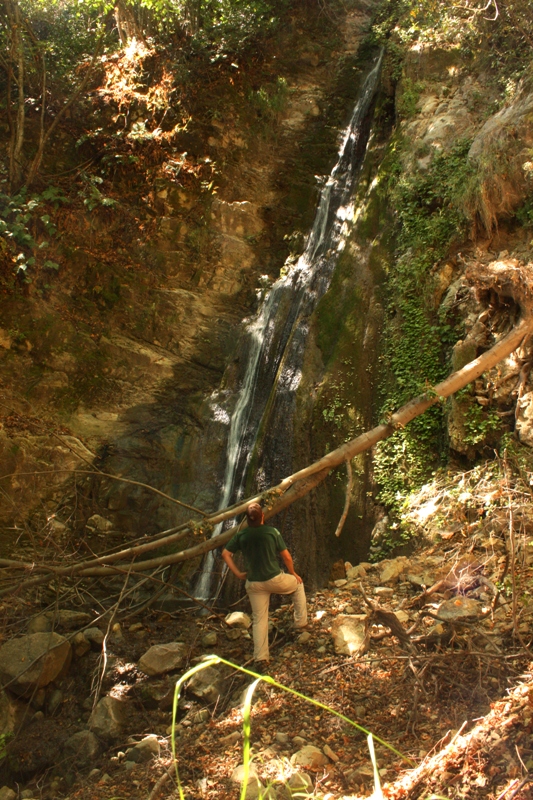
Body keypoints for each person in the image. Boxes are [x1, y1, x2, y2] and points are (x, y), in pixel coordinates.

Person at [221, 502, 307, 668]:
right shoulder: (272, 532)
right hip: (274, 580)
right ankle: (300, 623)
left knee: (259, 619)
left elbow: (225, 554)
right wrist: (293, 573)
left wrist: (238, 573)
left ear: (247, 519)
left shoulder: (241, 535)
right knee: (298, 585)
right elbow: (287, 557)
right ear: (262, 516)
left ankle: (261, 658)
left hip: (254, 584)